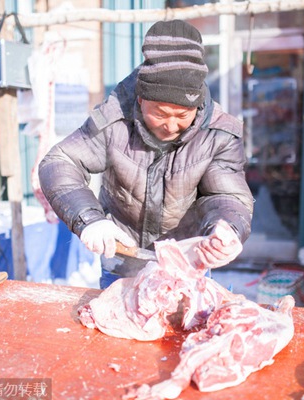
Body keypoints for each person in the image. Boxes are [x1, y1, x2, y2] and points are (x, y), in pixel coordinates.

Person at [39, 19, 253, 289]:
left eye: (183, 115)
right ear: (141, 99)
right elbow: (60, 162)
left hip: (187, 265)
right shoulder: (114, 120)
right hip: (122, 264)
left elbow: (225, 193)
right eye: (161, 114)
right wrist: (89, 220)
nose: (171, 125)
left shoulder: (218, 132)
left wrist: (229, 227)